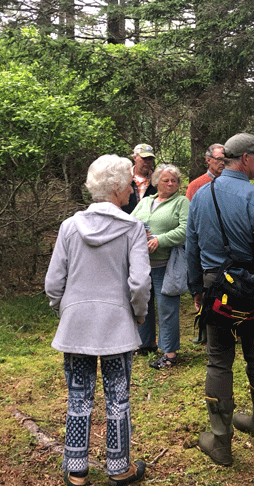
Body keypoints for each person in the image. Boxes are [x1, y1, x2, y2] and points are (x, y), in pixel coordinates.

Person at [45, 154, 151, 486]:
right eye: (129, 184)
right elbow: (140, 283)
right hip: (117, 326)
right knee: (117, 397)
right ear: (118, 188)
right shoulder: (132, 228)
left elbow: (53, 282)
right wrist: (138, 313)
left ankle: (76, 470)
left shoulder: (69, 226)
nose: (132, 189)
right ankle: (119, 467)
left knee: (79, 395)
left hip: (76, 325)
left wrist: (64, 310)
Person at [187, 132, 254, 467]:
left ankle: (221, 440)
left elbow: (192, 247)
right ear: (244, 159)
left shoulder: (201, 196)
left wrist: (196, 288)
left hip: (216, 293)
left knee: (219, 362)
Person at [131, 164, 189, 369]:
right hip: (143, 265)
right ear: (156, 182)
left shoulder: (181, 202)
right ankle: (146, 344)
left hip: (167, 264)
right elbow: (131, 222)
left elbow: (186, 228)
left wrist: (160, 240)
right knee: (143, 305)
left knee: (167, 309)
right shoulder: (146, 201)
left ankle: (170, 354)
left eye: (174, 181)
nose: (171, 183)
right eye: (166, 180)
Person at [121, 143, 157, 214]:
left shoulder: (157, 179)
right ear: (135, 158)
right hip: (125, 221)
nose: (147, 162)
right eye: (144, 158)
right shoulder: (123, 177)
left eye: (150, 159)